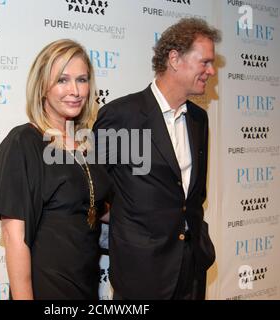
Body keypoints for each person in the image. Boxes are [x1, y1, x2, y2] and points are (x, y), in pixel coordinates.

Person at [93, 18, 221, 299]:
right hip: (141, 273)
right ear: (175, 59)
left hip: (192, 269)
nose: (211, 71)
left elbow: (192, 195)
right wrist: (131, 225)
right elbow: (93, 188)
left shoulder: (199, 119)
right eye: (205, 62)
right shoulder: (122, 115)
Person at [0, 39, 112, 300]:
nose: (75, 90)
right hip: (46, 285)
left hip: (87, 283)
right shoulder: (23, 142)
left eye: (82, 79)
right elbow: (14, 238)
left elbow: (91, 206)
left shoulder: (87, 143)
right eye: (62, 80)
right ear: (42, 86)